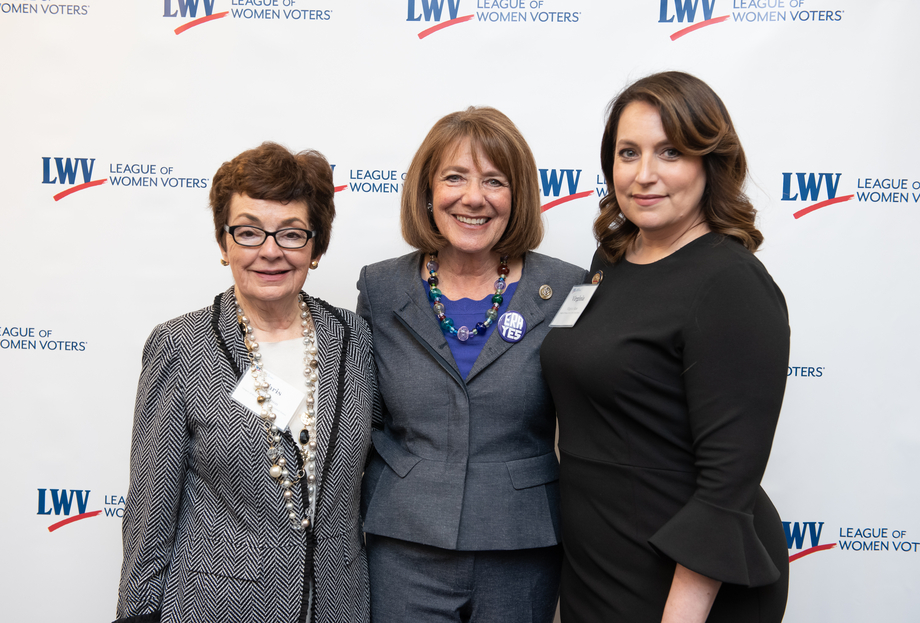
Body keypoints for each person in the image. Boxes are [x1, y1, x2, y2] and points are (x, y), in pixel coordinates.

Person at [540, 72, 790, 622]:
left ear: (710, 163)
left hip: (684, 585)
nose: (644, 175)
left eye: (670, 152)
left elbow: (727, 488)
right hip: (599, 565)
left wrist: (682, 614)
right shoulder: (609, 264)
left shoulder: (731, 284)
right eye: (628, 153)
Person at [115, 142, 376, 623]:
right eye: (249, 232)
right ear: (223, 243)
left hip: (339, 605)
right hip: (218, 605)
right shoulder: (181, 345)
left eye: (292, 234)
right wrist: (138, 612)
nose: (270, 251)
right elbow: (151, 504)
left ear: (315, 246)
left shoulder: (354, 337)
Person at [357, 106, 586, 622]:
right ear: (427, 191)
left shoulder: (569, 288)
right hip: (404, 542)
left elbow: (587, 415)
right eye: (454, 177)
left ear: (517, 195)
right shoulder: (381, 286)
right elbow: (362, 420)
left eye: (494, 181)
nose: (473, 197)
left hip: (521, 543)